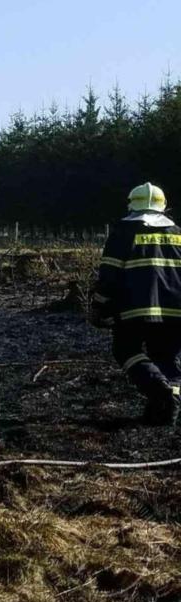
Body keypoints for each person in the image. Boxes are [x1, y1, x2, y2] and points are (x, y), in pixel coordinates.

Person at [89, 182, 181, 426]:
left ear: (132, 205)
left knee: (125, 349)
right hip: (175, 311)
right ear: (163, 207)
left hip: (134, 308)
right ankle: (165, 410)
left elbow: (109, 274)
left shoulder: (123, 232)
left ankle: (158, 390)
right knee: (167, 357)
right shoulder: (178, 233)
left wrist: (99, 306)